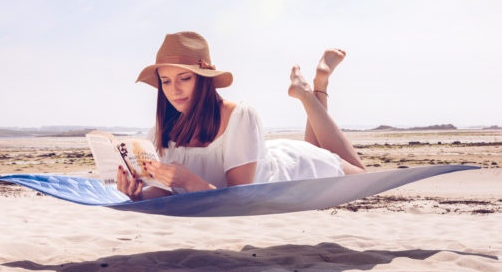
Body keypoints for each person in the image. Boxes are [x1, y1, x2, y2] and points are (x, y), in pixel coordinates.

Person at [116, 31, 368, 201]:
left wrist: (191, 181)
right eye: (166, 82)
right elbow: (165, 192)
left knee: (361, 175)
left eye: (184, 78)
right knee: (316, 145)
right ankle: (308, 89)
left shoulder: (238, 116)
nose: (174, 90)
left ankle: (311, 90)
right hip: (257, 154)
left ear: (204, 80)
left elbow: (239, 199)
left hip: (292, 170)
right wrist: (137, 194)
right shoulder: (160, 132)